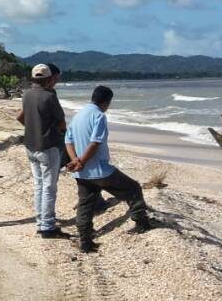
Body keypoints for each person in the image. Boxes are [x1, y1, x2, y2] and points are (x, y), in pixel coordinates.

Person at [65, 85, 154, 253]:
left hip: (82, 173)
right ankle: (141, 223)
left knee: (85, 204)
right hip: (99, 170)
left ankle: (85, 240)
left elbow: (68, 141)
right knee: (133, 189)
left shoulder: (77, 116)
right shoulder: (98, 115)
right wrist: (81, 161)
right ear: (107, 102)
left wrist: (75, 160)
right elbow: (95, 142)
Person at [16, 63, 67, 238]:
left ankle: (41, 220)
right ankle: (47, 225)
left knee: (39, 185)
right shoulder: (49, 96)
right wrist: (58, 133)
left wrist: (34, 128)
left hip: (30, 145)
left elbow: (20, 117)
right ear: (49, 79)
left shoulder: (27, 94)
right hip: (47, 146)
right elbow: (61, 122)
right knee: (49, 187)